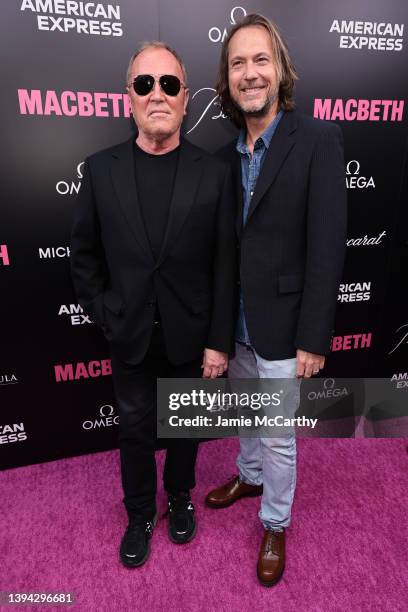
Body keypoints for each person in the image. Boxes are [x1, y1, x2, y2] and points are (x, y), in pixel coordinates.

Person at [70, 41, 236, 568]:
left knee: (186, 426)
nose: (157, 94)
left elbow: (225, 265)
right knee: (136, 429)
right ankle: (140, 512)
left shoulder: (214, 172)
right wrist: (106, 311)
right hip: (131, 333)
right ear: (130, 98)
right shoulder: (100, 171)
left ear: (186, 100)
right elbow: (84, 255)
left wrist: (217, 340)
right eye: (145, 84)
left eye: (169, 84)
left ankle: (181, 495)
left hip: (191, 334)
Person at [205, 14, 347, 586]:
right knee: (248, 416)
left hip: (287, 324)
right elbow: (221, 255)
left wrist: (315, 334)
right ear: (228, 79)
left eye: (260, 60)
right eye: (238, 63)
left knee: (280, 433)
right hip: (237, 321)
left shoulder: (316, 141)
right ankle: (249, 474)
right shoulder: (222, 157)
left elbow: (328, 245)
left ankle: (276, 520)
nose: (250, 73)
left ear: (280, 68)